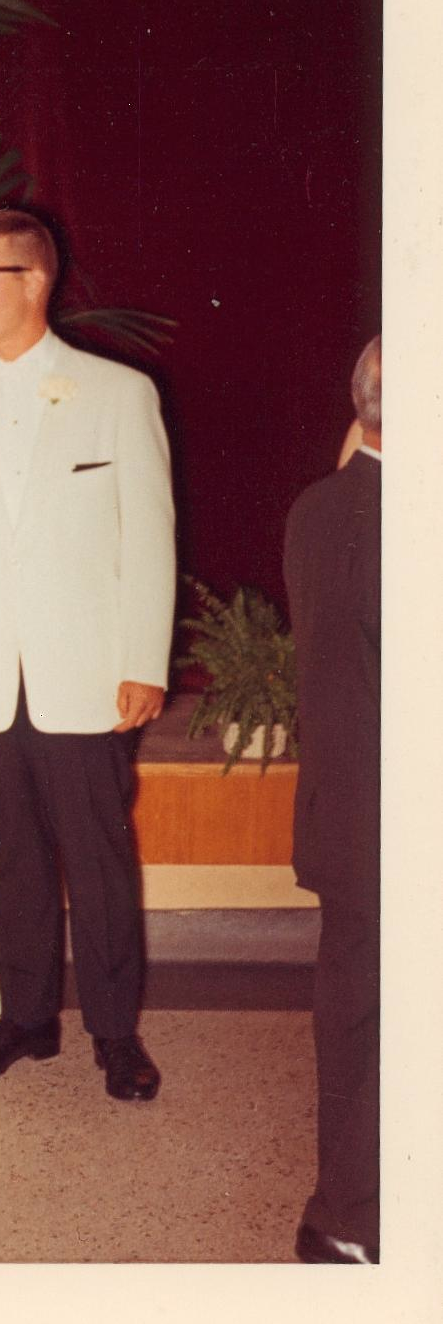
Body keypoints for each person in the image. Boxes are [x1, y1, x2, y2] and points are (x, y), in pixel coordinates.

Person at [0, 209, 176, 1101]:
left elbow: (150, 539)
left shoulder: (117, 392)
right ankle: (25, 1022)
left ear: (36, 280)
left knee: (96, 853)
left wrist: (144, 659)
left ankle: (114, 1032)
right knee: (12, 851)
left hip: (86, 672)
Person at [283, 335, 381, 1263]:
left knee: (353, 1011)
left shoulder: (319, 507)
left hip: (345, 817)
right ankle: (358, 1217)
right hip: (400, 825)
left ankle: (337, 1210)